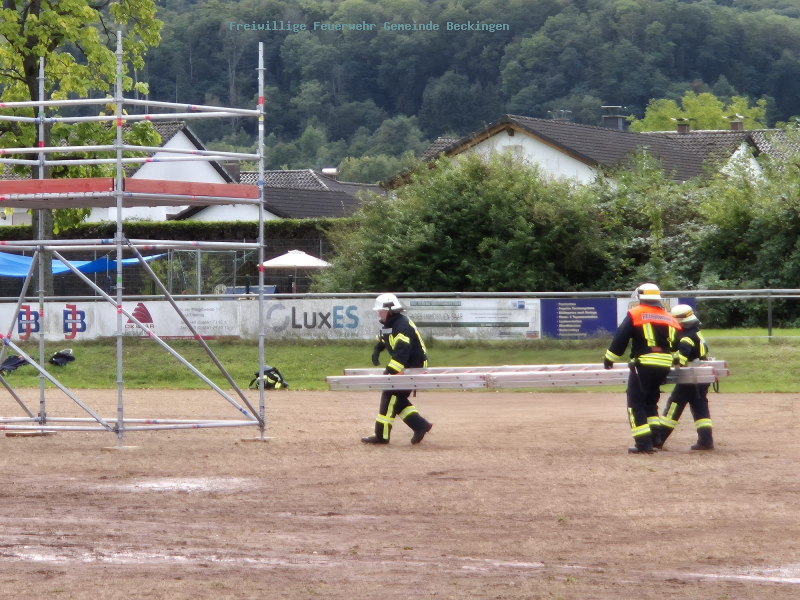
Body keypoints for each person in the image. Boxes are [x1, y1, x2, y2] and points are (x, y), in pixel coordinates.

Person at [604, 283, 682, 454]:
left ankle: (643, 444)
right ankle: (655, 439)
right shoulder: (669, 318)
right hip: (664, 366)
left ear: (640, 297)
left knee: (635, 403)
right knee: (650, 402)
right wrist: (675, 361)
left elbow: (621, 338)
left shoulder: (635, 314)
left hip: (644, 365)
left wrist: (610, 359)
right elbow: (676, 345)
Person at [361, 293, 434, 445]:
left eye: (380, 311)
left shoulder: (402, 325)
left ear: (389, 310)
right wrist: (377, 349)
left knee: (390, 394)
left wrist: (390, 371)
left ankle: (382, 436)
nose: (379, 314)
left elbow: (402, 351)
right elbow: (385, 337)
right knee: (396, 398)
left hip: (414, 366)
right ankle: (420, 425)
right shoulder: (391, 324)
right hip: (406, 364)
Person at [660, 304, 714, 450]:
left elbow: (681, 360)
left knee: (674, 405)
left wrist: (666, 362)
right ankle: (705, 440)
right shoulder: (696, 332)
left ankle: (658, 439)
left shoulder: (685, 337)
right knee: (699, 405)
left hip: (690, 377)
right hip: (702, 376)